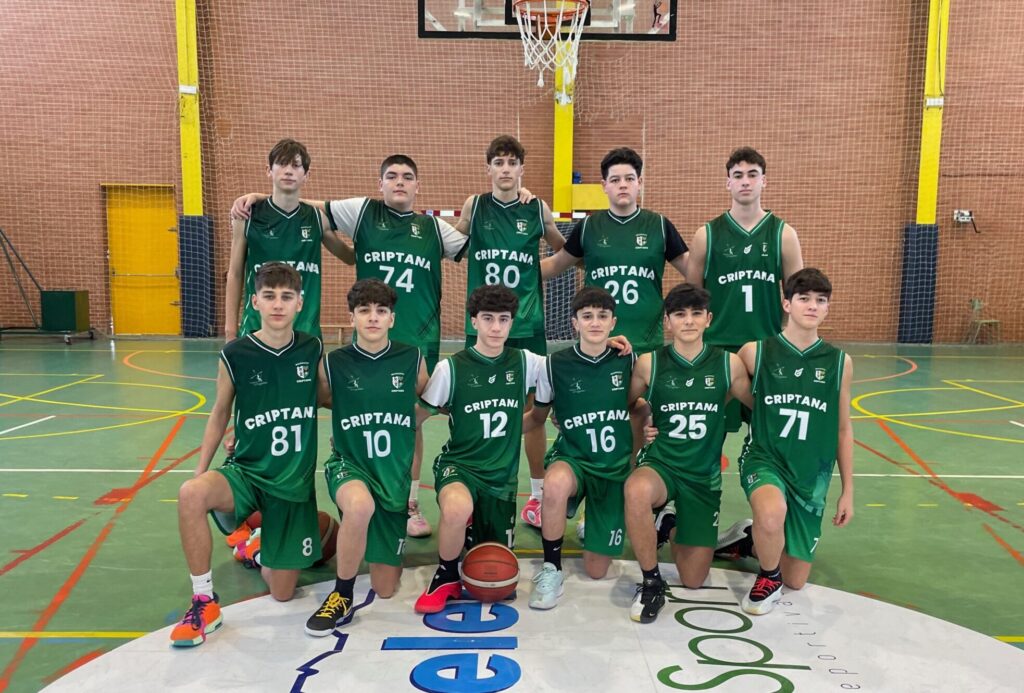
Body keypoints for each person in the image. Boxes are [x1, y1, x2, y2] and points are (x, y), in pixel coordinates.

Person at [232, 154, 470, 539]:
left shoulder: (434, 228)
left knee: (408, 422)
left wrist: (480, 208)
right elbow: (306, 204)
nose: (399, 182)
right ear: (380, 183)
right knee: (357, 414)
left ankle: (408, 501)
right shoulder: (362, 212)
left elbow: (479, 249)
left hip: (417, 339)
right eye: (391, 176)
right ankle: (342, 487)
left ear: (417, 185)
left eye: (407, 177)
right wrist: (261, 196)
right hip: (368, 341)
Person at [171, 262, 327, 647]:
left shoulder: (311, 348)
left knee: (283, 592)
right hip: (247, 471)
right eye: (269, 296)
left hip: (291, 485)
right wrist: (200, 471)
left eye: (286, 297)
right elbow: (220, 412)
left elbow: (328, 397)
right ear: (255, 301)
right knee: (191, 494)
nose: (278, 304)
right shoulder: (235, 353)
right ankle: (204, 601)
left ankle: (255, 548)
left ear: (300, 303)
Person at [305, 279, 429, 636]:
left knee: (385, 588)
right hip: (350, 464)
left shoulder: (412, 358)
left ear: (392, 318)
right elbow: (312, 402)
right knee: (359, 507)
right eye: (364, 311)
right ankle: (341, 594)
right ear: (352, 317)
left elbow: (433, 399)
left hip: (392, 476)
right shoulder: (333, 363)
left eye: (381, 311)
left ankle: (360, 537)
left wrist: (410, 419)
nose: (373, 318)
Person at [414, 285, 547, 613]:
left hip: (501, 479)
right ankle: (445, 577)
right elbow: (417, 417)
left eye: (503, 319)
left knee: (494, 572)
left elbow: (574, 366)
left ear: (512, 323)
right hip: (459, 466)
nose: (496, 327)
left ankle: (472, 526)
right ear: (473, 321)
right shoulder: (451, 368)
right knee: (456, 508)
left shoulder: (527, 362)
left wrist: (609, 345)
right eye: (488, 318)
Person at [454, 135, 565, 531]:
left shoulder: (537, 208)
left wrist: (537, 272)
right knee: (473, 409)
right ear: (488, 168)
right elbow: (454, 245)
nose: (505, 169)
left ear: (521, 169)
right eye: (498, 162)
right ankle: (471, 488)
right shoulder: (475, 206)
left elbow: (566, 251)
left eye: (511, 162)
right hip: (483, 326)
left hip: (526, 323)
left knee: (534, 410)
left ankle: (537, 496)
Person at [623, 283, 752, 623]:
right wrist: (644, 421)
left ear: (709, 319)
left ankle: (668, 523)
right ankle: (651, 582)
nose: (689, 321)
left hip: (702, 475)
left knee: (694, 579)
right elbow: (624, 404)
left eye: (696, 313)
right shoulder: (650, 363)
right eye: (680, 314)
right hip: (662, 464)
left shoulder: (729, 364)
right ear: (668, 321)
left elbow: (762, 406)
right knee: (636, 489)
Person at [730, 268, 854, 615]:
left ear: (828, 308)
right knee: (772, 514)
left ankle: (749, 541)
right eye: (804, 298)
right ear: (786, 303)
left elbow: (843, 429)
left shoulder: (840, 363)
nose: (812, 306)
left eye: (821, 300)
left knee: (796, 579)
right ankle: (767, 577)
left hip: (810, 475)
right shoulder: (755, 352)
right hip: (765, 458)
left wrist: (848, 490)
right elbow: (719, 391)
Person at [523, 286, 636, 610]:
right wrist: (497, 431)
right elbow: (538, 417)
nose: (595, 322)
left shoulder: (629, 359)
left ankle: (593, 522)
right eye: (587, 316)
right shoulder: (554, 364)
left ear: (613, 322)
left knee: (597, 571)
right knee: (555, 483)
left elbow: (640, 405)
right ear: (574, 323)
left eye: (602, 316)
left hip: (613, 468)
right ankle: (551, 567)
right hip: (573, 458)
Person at [541, 146, 689, 354]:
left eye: (629, 179)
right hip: (599, 344)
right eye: (615, 180)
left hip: (646, 344)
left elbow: (693, 269)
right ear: (604, 185)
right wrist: (518, 270)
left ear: (640, 182)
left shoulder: (660, 226)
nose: (623, 185)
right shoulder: (588, 227)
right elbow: (556, 263)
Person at [225, 138, 353, 341]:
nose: (288, 171)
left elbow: (350, 257)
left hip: (305, 334)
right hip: (256, 330)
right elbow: (234, 273)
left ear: (306, 175)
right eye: (282, 164)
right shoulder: (247, 216)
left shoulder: (317, 218)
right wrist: (230, 332)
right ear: (269, 170)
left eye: (295, 165)